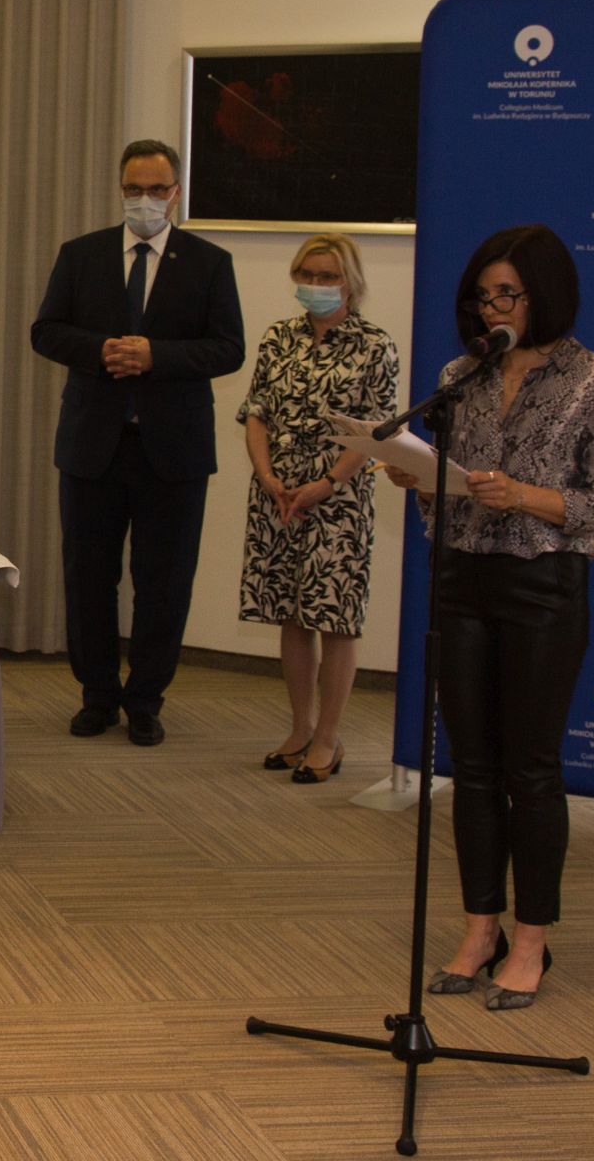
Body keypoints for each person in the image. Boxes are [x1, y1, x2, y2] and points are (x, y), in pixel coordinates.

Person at [395, 225, 594, 1012]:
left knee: (531, 769)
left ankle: (533, 939)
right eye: (484, 296)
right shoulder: (460, 377)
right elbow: (448, 490)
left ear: (544, 292)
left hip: (543, 587)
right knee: (471, 766)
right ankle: (481, 929)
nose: (494, 309)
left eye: (508, 294)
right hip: (462, 581)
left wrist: (523, 496)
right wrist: (418, 477)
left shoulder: (591, 381)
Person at [30, 138, 245, 747]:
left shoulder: (208, 262)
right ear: (119, 188)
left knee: (164, 583)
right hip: (93, 446)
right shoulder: (82, 254)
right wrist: (100, 350)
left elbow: (229, 348)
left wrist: (157, 356)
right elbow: (46, 331)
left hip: (173, 452)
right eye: (133, 188)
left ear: (175, 192)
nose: (143, 199)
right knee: (88, 579)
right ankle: (97, 695)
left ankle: (146, 699)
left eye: (155, 189)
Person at [237, 234, 398, 782]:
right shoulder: (278, 337)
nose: (316, 284)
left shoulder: (375, 345)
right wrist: (268, 478)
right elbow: (255, 412)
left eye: (327, 276)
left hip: (338, 501)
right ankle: (300, 728)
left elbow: (376, 431)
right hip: (278, 494)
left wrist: (326, 483)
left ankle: (329, 738)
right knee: (290, 612)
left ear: (351, 282)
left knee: (334, 618)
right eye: (307, 274)